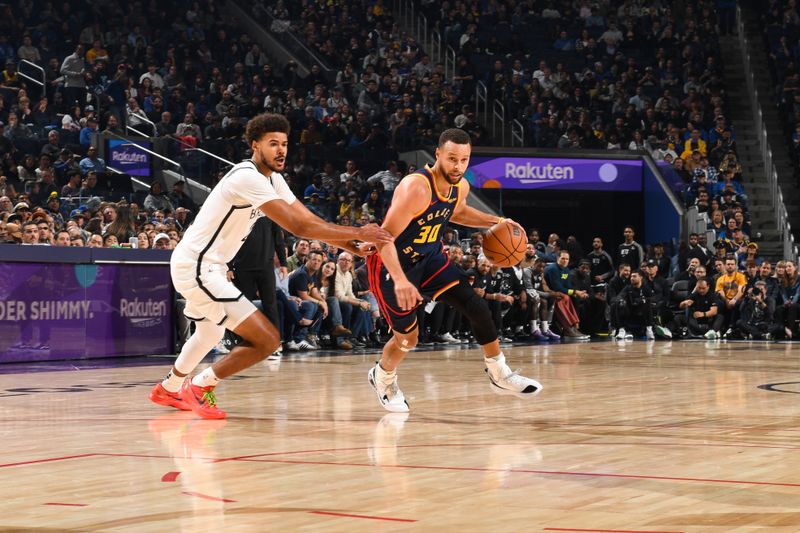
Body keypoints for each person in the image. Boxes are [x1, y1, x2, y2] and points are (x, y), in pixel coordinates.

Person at [149, 113, 391, 419]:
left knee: (208, 334)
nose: (281, 150)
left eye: (285, 144)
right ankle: (199, 386)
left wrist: (353, 246)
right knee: (267, 339)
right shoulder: (246, 177)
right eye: (273, 144)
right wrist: (358, 232)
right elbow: (298, 226)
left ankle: (169, 388)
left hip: (207, 266)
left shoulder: (274, 179)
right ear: (255, 145)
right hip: (197, 266)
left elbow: (310, 221)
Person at [365, 129, 541, 413]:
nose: (458, 166)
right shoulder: (416, 187)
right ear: (437, 156)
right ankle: (382, 377)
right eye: (451, 159)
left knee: (477, 306)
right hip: (392, 263)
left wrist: (497, 220)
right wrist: (399, 280)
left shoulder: (460, 186)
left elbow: (456, 212)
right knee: (408, 339)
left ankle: (499, 374)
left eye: (464, 160)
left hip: (431, 256)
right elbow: (383, 239)